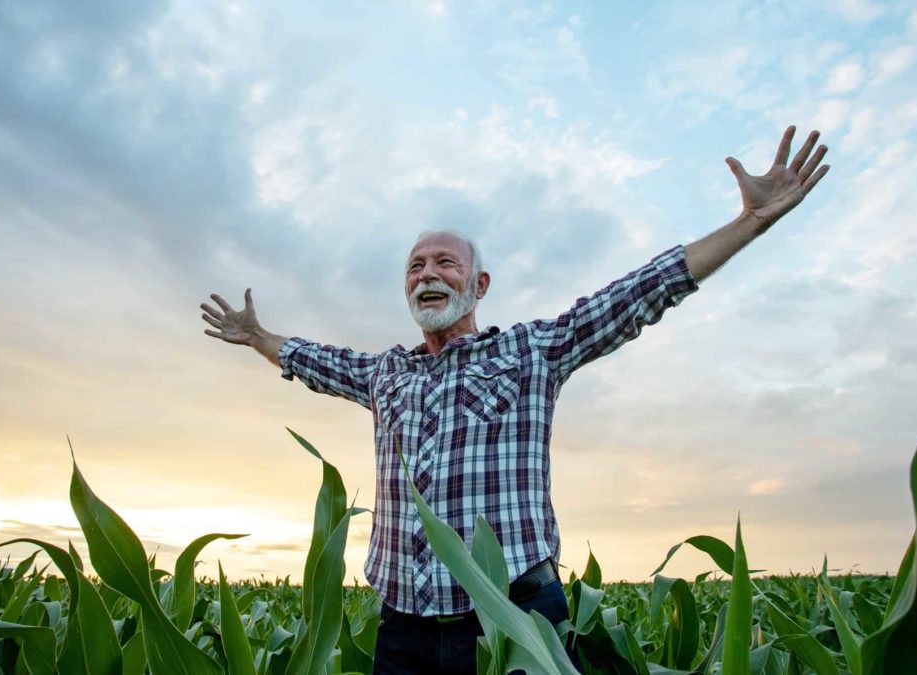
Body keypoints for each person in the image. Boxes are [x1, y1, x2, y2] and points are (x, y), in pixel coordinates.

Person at [201, 126, 829, 674]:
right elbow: (314, 361)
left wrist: (750, 221)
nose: (426, 273)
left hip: (515, 618)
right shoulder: (385, 374)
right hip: (404, 627)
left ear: (479, 284)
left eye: (444, 263)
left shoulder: (532, 353)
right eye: (415, 266)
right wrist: (256, 336)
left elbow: (639, 294)